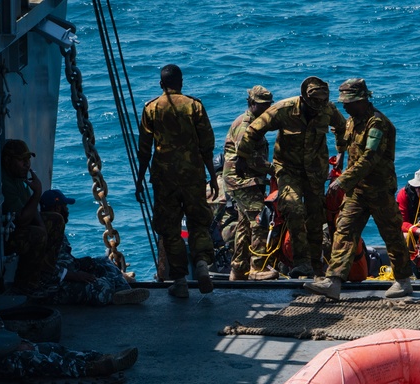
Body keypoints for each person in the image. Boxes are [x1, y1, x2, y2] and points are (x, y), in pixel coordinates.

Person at [305, 79, 414, 301]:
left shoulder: (377, 124)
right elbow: (347, 143)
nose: (345, 107)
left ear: (362, 100)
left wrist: (343, 181)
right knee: (344, 230)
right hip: (357, 191)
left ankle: (403, 280)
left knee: (391, 233)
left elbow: (368, 159)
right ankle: (333, 281)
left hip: (379, 190)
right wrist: (341, 157)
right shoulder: (353, 121)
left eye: (349, 102)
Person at [235, 76, 347, 278]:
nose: (317, 109)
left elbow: (342, 127)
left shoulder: (327, 109)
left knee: (315, 217)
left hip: (315, 170)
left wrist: (340, 152)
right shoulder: (283, 110)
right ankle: (301, 262)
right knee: (294, 209)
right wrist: (242, 157)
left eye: (321, 104)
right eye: (313, 104)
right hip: (288, 170)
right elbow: (253, 130)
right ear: (304, 99)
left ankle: (315, 266)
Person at [0, 259, 138, 379]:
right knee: (39, 360)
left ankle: (99, 357)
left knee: (51, 348)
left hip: (2, 348)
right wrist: (15, 347)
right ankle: (91, 369)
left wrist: (18, 342)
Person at [135, 64, 219, 298]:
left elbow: (144, 148)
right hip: (192, 174)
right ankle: (202, 264)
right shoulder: (194, 106)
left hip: (164, 177)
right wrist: (212, 176)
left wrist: (140, 179)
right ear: (181, 83)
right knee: (198, 222)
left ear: (161, 84)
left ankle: (180, 280)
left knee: (170, 228)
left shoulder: (151, 108)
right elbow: (207, 145)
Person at [36, 189, 150, 306]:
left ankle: (124, 291)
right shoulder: (42, 234)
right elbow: (43, 269)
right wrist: (76, 275)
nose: (67, 210)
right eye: (65, 206)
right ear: (57, 208)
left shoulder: (56, 228)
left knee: (104, 263)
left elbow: (62, 258)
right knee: (101, 286)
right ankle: (114, 295)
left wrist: (82, 264)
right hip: (52, 287)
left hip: (68, 271)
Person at [223, 85, 278, 281]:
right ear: (252, 103)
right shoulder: (246, 125)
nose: (267, 109)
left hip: (246, 180)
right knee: (259, 219)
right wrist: (275, 170)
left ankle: (238, 269)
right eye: (262, 105)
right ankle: (257, 267)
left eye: (269, 106)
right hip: (242, 181)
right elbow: (249, 158)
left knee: (244, 225)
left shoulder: (256, 122)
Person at [0, 139, 65, 296]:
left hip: (18, 227)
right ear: (8, 160)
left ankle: (45, 275)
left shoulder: (18, 179)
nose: (27, 164)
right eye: (21, 160)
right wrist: (37, 192)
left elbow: (31, 209)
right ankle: (26, 285)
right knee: (37, 235)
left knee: (56, 220)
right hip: (5, 236)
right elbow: (21, 219)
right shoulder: (4, 182)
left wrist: (42, 225)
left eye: (28, 160)